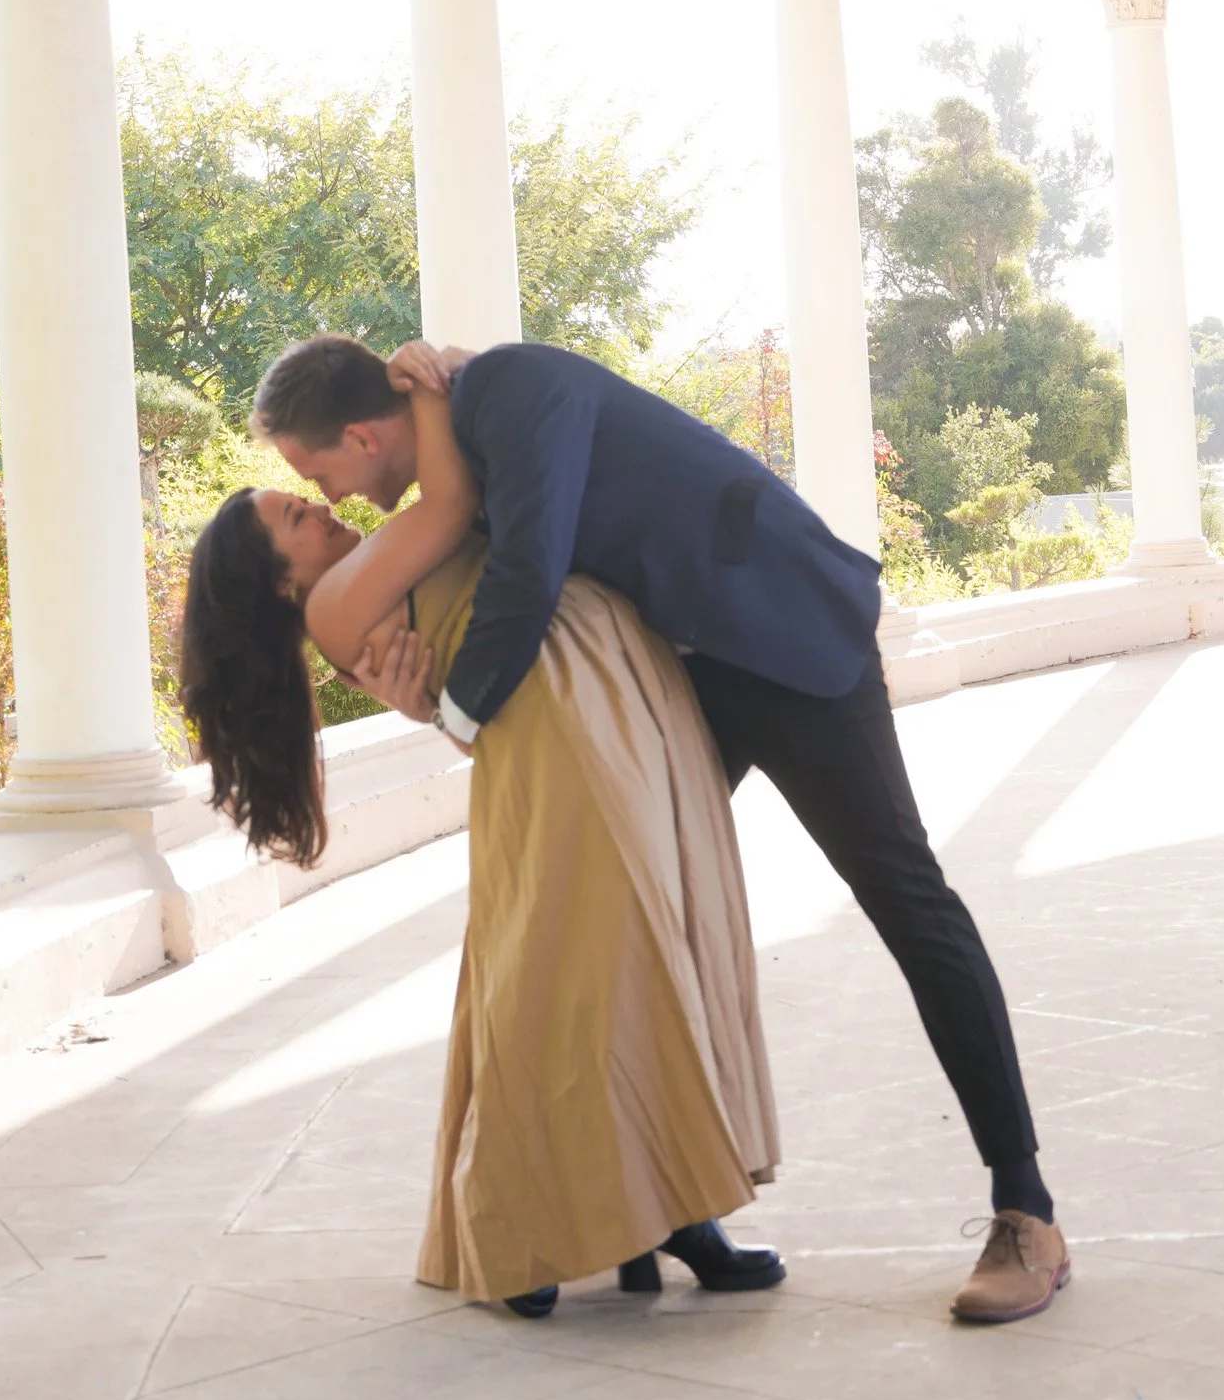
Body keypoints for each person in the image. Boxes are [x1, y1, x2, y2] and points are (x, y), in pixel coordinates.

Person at [254, 333, 1068, 1325]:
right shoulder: (451, 447)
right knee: (615, 917)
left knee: (906, 899)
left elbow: (528, 567)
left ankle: (1025, 1210)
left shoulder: (508, 386)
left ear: (359, 432)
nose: (328, 496)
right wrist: (419, 692)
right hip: (676, 682)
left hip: (783, 634)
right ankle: (657, 1204)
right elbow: (463, 602)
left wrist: (462, 716)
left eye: (317, 472)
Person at [180, 352, 785, 1316]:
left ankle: (666, 1210)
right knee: (572, 976)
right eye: (297, 519)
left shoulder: (373, 564)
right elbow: (455, 500)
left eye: (309, 496)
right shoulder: (341, 601)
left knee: (648, 946)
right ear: (276, 580)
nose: (322, 507)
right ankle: (533, 1228)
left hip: (609, 701)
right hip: (564, 735)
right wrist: (424, 375)